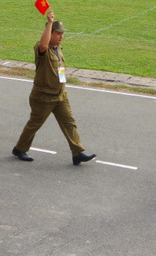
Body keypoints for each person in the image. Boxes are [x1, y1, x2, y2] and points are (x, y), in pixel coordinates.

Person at [12, 9, 95, 165]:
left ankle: (77, 152)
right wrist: (50, 22)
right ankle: (20, 148)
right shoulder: (42, 48)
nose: (61, 36)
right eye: (58, 34)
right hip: (43, 96)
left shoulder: (58, 50)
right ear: (50, 33)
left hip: (60, 95)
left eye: (62, 34)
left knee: (69, 122)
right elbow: (44, 44)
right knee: (35, 124)